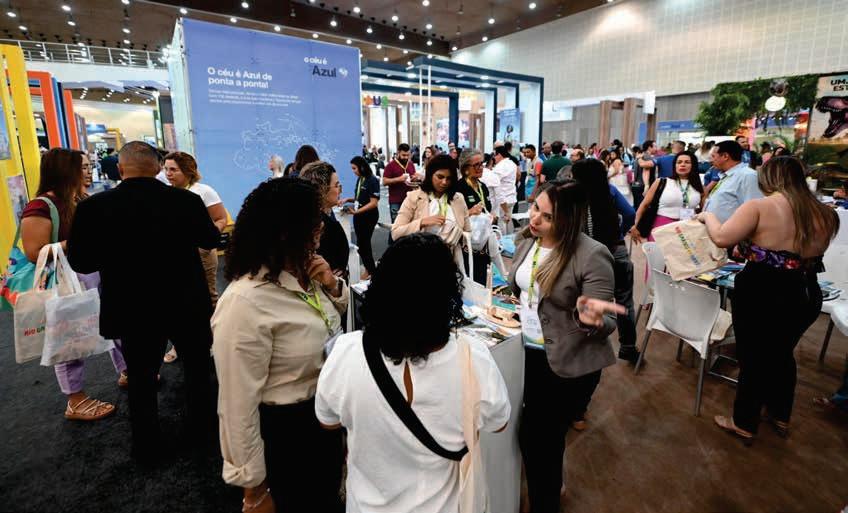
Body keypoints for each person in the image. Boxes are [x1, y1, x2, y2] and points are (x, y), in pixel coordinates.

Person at [315, 232, 510, 513]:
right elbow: (498, 422)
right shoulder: (472, 359)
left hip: (366, 505)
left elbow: (328, 421)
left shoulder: (346, 351)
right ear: (447, 295)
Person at [67, 141, 220, 462]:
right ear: (158, 168)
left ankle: (147, 447)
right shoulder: (186, 200)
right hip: (185, 301)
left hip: (131, 305)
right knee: (197, 368)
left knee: (140, 376)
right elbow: (210, 239)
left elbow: (81, 261)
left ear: (120, 169)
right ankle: (202, 433)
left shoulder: (94, 207)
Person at [212, 178, 346, 513]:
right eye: (314, 222)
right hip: (288, 433)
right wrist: (254, 490)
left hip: (326, 418)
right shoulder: (244, 303)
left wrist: (332, 285)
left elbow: (328, 323)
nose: (321, 227)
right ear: (286, 233)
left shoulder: (305, 272)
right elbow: (237, 406)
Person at [698, 156, 839, 442]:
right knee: (782, 354)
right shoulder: (827, 213)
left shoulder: (759, 206)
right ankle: (780, 413)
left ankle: (744, 422)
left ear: (770, 177)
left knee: (753, 357)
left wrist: (707, 216)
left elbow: (722, 238)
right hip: (806, 290)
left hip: (763, 290)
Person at [510, 180, 625, 511]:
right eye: (536, 208)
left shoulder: (591, 254)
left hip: (565, 361)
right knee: (543, 438)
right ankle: (550, 484)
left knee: (536, 440)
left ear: (568, 220)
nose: (535, 219)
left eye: (547, 217)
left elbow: (607, 322)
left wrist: (590, 319)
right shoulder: (528, 239)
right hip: (526, 351)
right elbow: (526, 292)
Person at [20, 148, 124, 421]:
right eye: (83, 167)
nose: (89, 172)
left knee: (116, 324)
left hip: (95, 274)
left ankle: (127, 371)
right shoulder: (41, 206)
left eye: (89, 166)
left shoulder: (80, 198)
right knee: (69, 339)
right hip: (65, 280)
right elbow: (34, 251)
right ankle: (75, 400)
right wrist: (80, 239)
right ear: (65, 171)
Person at [571, 159, 639, 367]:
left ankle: (587, 344)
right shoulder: (610, 191)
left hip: (587, 256)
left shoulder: (575, 195)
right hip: (616, 250)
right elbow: (630, 213)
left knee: (587, 299)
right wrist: (620, 231)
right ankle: (628, 347)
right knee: (624, 301)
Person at [162, 151, 227, 363]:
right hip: (175, 255)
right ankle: (180, 344)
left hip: (202, 252)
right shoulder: (165, 193)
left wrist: (207, 236)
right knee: (178, 299)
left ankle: (214, 339)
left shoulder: (204, 191)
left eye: (173, 169)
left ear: (188, 171)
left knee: (208, 296)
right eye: (166, 169)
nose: (168, 173)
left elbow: (220, 218)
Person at [391, 154, 470, 271]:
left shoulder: (458, 199)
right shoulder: (414, 197)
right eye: (440, 177)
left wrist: (458, 236)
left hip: (450, 263)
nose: (444, 182)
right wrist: (422, 222)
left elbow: (468, 232)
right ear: (430, 175)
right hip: (418, 262)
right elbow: (395, 233)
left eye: (449, 178)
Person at [456, 149, 508, 280]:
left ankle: (503, 275)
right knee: (469, 280)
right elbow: (452, 217)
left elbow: (487, 208)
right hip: (467, 246)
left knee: (484, 278)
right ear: (465, 168)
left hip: (483, 244)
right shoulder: (458, 188)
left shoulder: (482, 186)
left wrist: (492, 216)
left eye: (482, 164)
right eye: (476, 165)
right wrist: (469, 212)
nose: (481, 168)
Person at [630, 151, 705, 242]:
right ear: (674, 165)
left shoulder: (699, 186)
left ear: (693, 166)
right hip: (661, 228)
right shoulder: (662, 182)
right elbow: (644, 205)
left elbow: (703, 210)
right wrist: (636, 225)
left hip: (688, 229)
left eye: (687, 162)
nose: (682, 165)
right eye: (679, 162)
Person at [299, 161, 350, 281]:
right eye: (336, 185)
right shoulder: (322, 226)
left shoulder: (313, 217)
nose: (340, 190)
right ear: (322, 190)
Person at [703, 140, 763, 223]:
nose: (711, 160)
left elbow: (754, 210)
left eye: (713, 156)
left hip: (732, 230)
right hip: (717, 229)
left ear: (725, 156)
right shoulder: (726, 175)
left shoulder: (748, 176)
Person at [341, 156, 380, 279]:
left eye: (354, 168)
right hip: (359, 215)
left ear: (362, 167)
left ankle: (371, 271)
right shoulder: (360, 179)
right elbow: (360, 198)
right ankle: (369, 269)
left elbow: (373, 203)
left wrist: (357, 212)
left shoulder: (372, 180)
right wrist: (348, 199)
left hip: (368, 216)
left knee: (364, 245)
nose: (353, 171)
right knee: (361, 245)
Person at [382, 143, 416, 234]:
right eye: (403, 155)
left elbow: (413, 176)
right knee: (395, 226)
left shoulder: (411, 164)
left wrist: (414, 178)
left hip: (409, 200)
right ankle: (392, 242)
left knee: (408, 226)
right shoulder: (390, 165)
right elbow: (384, 182)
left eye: (408, 155)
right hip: (395, 201)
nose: (406, 157)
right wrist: (399, 179)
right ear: (398, 153)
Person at [492, 146, 520, 234]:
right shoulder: (512, 164)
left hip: (503, 199)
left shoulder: (500, 166)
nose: (494, 158)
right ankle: (510, 239)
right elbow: (518, 175)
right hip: (511, 197)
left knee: (502, 222)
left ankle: (503, 240)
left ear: (499, 155)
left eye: (495, 155)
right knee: (509, 220)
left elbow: (494, 181)